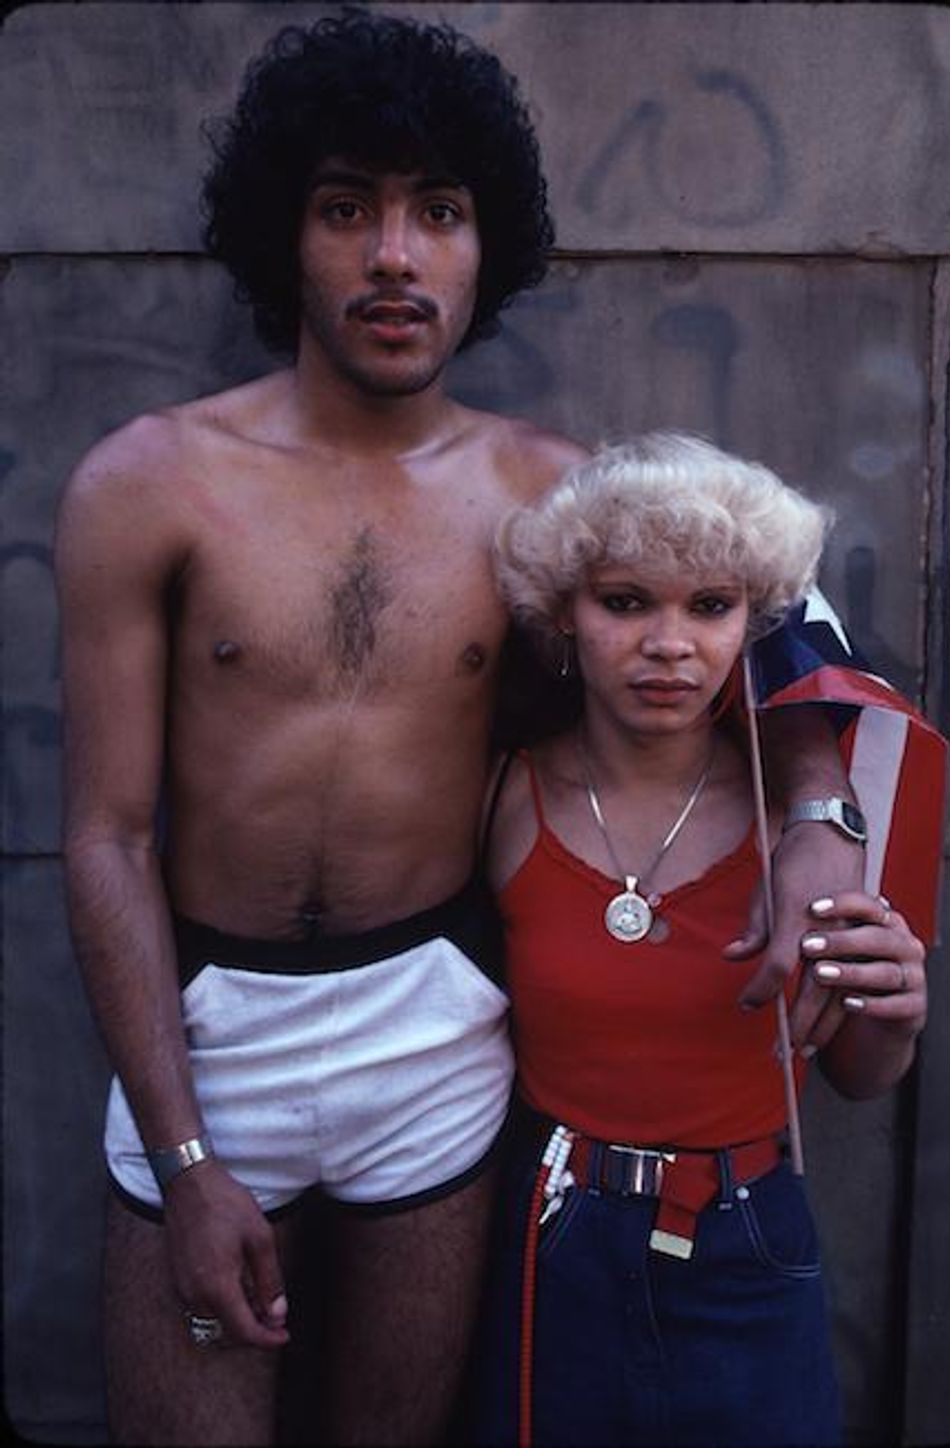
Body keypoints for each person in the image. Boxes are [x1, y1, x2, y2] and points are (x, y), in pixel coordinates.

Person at [54, 10, 865, 1446]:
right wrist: (182, 1159)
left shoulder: (543, 494)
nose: (392, 255)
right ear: (282, 236)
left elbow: (782, 601)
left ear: (486, 252)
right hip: (205, 1030)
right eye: (345, 208)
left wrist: (817, 821)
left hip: (432, 1031)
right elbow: (107, 836)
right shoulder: (148, 484)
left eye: (439, 212)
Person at [471, 432, 930, 1448]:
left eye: (709, 606)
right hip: (549, 1230)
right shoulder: (500, 794)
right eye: (625, 600)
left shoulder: (813, 820)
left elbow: (859, 1071)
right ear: (562, 615)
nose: (668, 642)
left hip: (747, 1233)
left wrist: (894, 1014)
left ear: (751, 620)